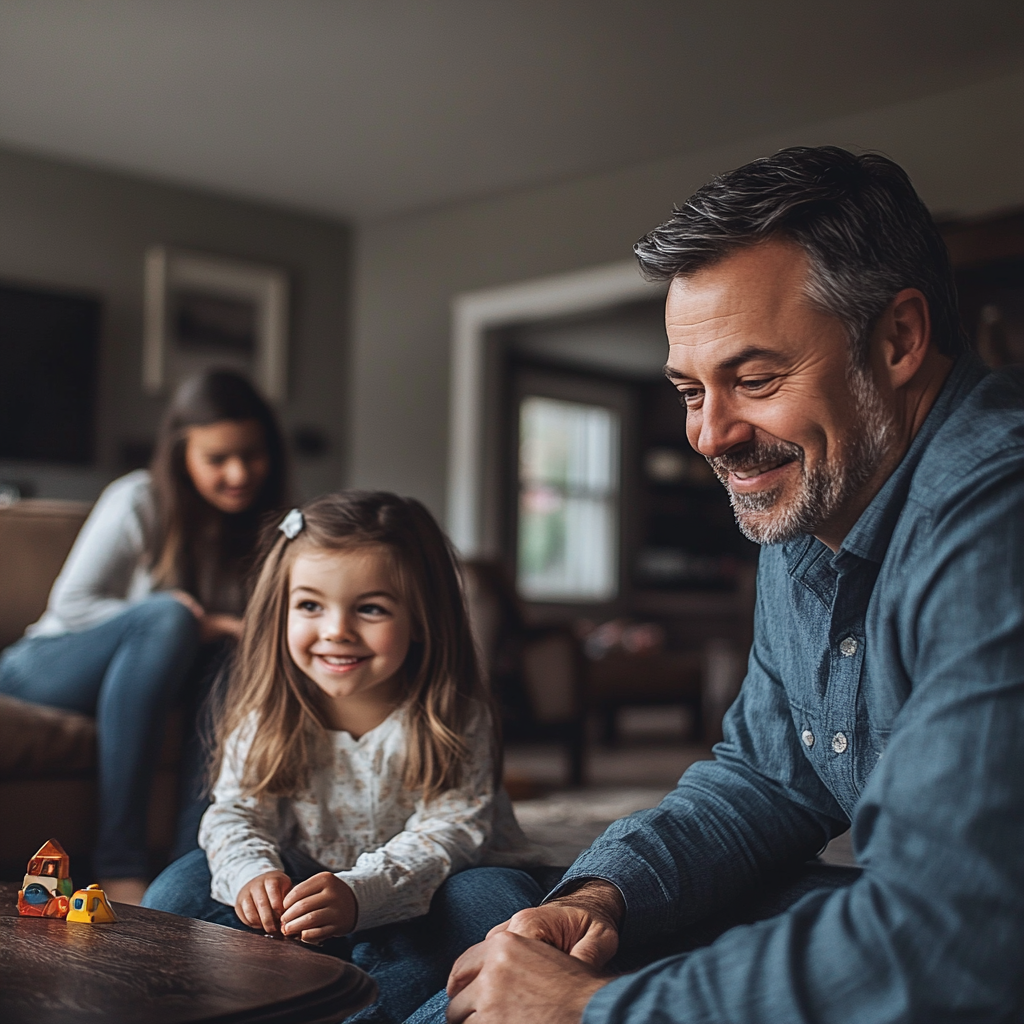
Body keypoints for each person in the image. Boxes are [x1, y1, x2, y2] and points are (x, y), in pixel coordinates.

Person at [432, 147, 1024, 1023]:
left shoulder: (994, 515)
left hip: (972, 953)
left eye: (753, 379)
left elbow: (947, 938)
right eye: (688, 390)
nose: (709, 436)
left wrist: (595, 1010)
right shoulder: (820, 492)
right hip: (941, 930)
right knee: (496, 908)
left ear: (899, 339)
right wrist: (603, 898)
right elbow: (771, 777)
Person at [142, 491, 550, 1024]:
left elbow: (451, 833)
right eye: (310, 605)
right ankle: (298, 978)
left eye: (371, 608)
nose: (336, 629)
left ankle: (371, 1005)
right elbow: (236, 814)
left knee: (500, 905)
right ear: (280, 609)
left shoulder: (452, 712)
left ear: (423, 616)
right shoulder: (268, 710)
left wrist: (362, 897)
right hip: (306, 893)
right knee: (179, 888)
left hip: (433, 891)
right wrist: (253, 876)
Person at [0, 369, 287, 904]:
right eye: (217, 459)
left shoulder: (269, 524)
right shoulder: (138, 499)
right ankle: (120, 865)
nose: (239, 472)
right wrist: (202, 620)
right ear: (182, 455)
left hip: (150, 680)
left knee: (230, 657)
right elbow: (73, 604)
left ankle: (190, 870)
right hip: (45, 668)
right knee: (170, 617)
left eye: (252, 454)